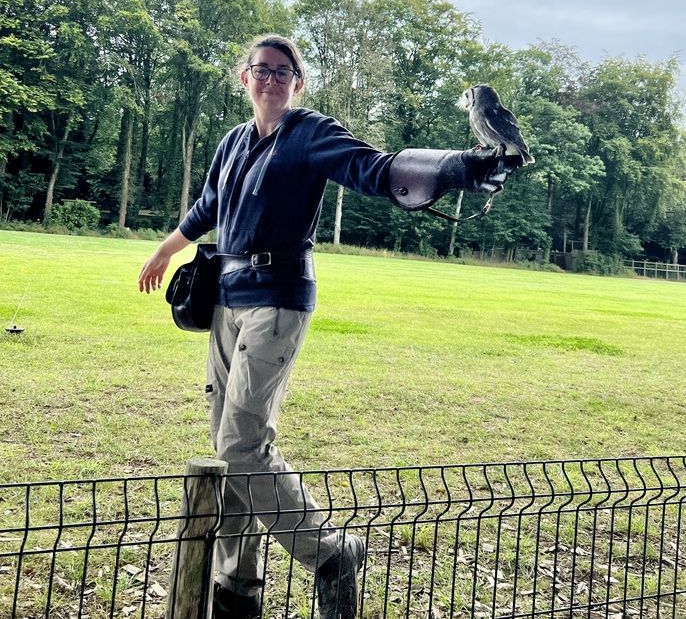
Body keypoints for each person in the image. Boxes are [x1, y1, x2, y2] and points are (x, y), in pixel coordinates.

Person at [138, 33, 520, 619]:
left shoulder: (310, 133)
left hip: (279, 298)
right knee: (227, 444)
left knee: (241, 443)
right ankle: (238, 588)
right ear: (244, 79)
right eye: (259, 69)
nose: (269, 78)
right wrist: (166, 250)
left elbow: (373, 168)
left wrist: (461, 167)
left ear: (297, 83)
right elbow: (209, 207)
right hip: (227, 298)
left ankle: (332, 552)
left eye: (282, 71)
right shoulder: (234, 141)